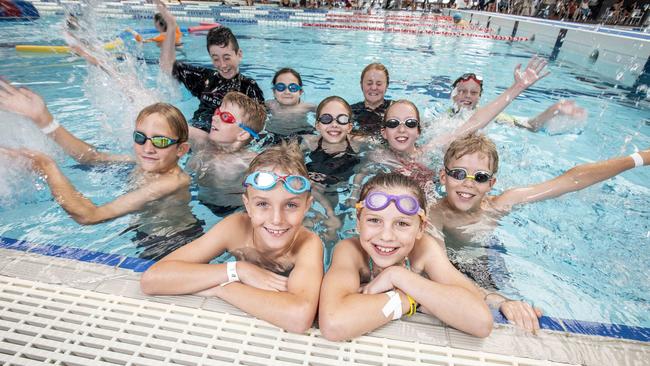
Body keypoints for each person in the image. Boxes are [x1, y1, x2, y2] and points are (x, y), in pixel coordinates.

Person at [429, 133, 649, 330]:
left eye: (480, 177)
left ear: (491, 183)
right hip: (455, 268)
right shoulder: (435, 215)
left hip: (488, 260)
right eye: (458, 174)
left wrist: (639, 159)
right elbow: (439, 269)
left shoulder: (497, 206)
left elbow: (572, 179)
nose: (468, 184)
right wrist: (499, 300)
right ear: (442, 176)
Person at [0, 79, 200, 259]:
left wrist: (46, 166)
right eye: (140, 137)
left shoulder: (169, 183)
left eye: (161, 141)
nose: (148, 148)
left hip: (176, 245)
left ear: (181, 149)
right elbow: (91, 158)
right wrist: (44, 120)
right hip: (147, 233)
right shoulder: (147, 162)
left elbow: (89, 216)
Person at [140, 141, 324, 333]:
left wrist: (223, 288)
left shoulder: (308, 244)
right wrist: (237, 270)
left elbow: (299, 317)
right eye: (262, 204)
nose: (277, 219)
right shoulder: (235, 228)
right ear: (247, 205)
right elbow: (152, 279)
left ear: (307, 206)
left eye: (291, 205)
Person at [318, 173, 493, 341]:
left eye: (402, 223)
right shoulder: (350, 251)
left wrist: (397, 276)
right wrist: (408, 299)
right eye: (374, 220)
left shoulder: (424, 250)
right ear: (358, 223)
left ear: (421, 229)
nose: (386, 236)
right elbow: (334, 325)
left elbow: (481, 322)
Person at [156, 0, 264, 133]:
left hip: (216, 140)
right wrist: (171, 27)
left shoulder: (249, 88)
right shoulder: (204, 78)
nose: (222, 65)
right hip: (194, 136)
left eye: (227, 57)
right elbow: (167, 66)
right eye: (216, 59)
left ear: (239, 54)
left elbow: (260, 125)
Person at [187, 91, 267, 216]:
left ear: (243, 134)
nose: (214, 118)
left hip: (235, 211)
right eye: (217, 112)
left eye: (225, 117)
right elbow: (172, 125)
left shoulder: (252, 162)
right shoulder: (202, 142)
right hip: (197, 200)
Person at [301, 96, 364, 242]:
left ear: (349, 126)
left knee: (335, 228)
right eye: (326, 119)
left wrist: (355, 192)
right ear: (317, 125)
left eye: (341, 119)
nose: (334, 124)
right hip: (315, 182)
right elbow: (288, 163)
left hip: (341, 184)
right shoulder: (309, 142)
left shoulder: (357, 143)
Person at [447, 72, 586, 133]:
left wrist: (553, 110)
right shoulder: (440, 118)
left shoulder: (492, 116)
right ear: (453, 94)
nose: (467, 96)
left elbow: (530, 125)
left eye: (473, 93)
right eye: (462, 91)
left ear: (479, 96)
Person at [263, 68, 316, 143]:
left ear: (300, 92)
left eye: (293, 88)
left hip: (302, 134)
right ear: (274, 91)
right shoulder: (270, 105)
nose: (287, 92)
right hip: (272, 135)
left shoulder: (307, 107)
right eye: (280, 87)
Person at [350, 63, 392, 136]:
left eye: (379, 84)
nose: (373, 88)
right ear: (361, 85)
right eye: (369, 83)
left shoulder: (396, 109)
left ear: (387, 86)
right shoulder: (351, 111)